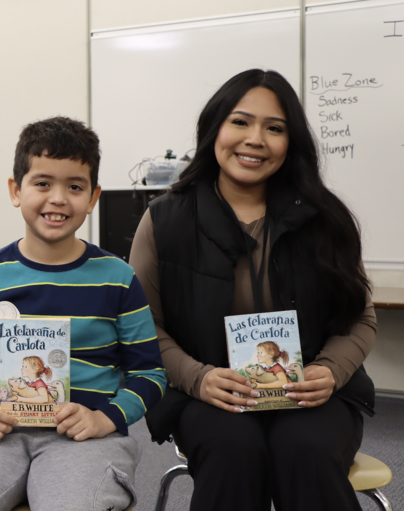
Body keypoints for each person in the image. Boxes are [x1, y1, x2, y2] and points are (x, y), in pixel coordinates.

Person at [129, 69, 375, 511]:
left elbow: (360, 316)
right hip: (208, 396)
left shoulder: (327, 219)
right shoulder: (164, 220)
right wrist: (198, 378)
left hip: (309, 395)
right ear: (214, 129)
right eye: (240, 122)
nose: (255, 139)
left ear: (291, 142)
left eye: (275, 128)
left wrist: (331, 371)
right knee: (234, 450)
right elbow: (143, 328)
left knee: (304, 449)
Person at [0, 116, 167, 511]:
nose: (58, 198)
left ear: (93, 196)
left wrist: (105, 419)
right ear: (16, 191)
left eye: (74, 186)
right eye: (42, 183)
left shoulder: (118, 279)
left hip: (84, 438)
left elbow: (149, 375)